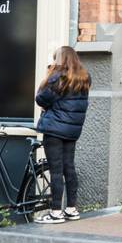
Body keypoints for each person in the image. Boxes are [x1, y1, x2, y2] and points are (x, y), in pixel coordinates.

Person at [33, 46, 90, 224]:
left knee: (56, 172)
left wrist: (49, 73)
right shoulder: (84, 78)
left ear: (59, 59)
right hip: (72, 131)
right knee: (69, 169)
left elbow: (41, 99)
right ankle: (71, 209)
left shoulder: (58, 77)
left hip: (54, 130)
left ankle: (56, 212)